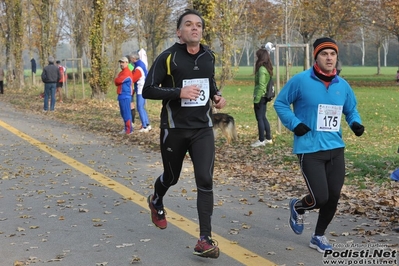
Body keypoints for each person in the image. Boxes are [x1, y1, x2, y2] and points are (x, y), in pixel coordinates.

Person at [142, 9, 226, 259]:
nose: (194, 28)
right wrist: (178, 92)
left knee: (205, 180)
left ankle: (205, 239)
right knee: (172, 176)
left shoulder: (209, 55)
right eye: (188, 25)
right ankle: (157, 199)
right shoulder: (168, 58)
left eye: (198, 25)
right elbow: (148, 90)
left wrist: (216, 96)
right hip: (174, 129)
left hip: (202, 129)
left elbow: (209, 81)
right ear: (179, 32)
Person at [274, 37, 364, 253]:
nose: (329, 58)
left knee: (333, 196)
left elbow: (350, 109)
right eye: (325, 54)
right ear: (316, 57)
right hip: (309, 148)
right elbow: (280, 103)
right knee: (319, 198)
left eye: (333, 54)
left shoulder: (342, 85)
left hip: (335, 148)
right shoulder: (301, 80)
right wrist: (295, 124)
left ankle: (318, 236)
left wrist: (355, 123)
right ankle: (298, 206)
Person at [251, 47, 273, 147]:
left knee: (259, 118)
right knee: (263, 117)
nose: (256, 58)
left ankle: (261, 140)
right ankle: (268, 138)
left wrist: (257, 99)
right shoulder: (266, 68)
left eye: (257, 56)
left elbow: (261, 85)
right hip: (264, 96)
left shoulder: (261, 69)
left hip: (261, 96)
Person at [129, 51, 151, 133]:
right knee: (142, 107)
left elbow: (134, 79)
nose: (130, 60)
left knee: (140, 107)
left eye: (131, 58)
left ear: (134, 58)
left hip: (140, 89)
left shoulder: (138, 68)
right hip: (143, 88)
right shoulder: (141, 64)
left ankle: (144, 125)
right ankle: (147, 124)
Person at [114, 56, 134, 135]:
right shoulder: (121, 72)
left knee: (126, 113)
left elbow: (118, 81)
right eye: (120, 62)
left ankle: (129, 130)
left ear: (127, 63)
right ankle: (126, 128)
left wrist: (117, 79)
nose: (121, 64)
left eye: (123, 62)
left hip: (125, 95)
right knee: (123, 113)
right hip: (121, 94)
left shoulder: (127, 72)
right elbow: (116, 81)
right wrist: (117, 80)